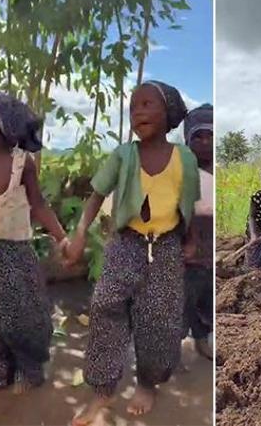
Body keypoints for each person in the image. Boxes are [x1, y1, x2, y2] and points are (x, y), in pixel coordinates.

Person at [66, 80, 200, 424]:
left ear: (168, 112)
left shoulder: (184, 157)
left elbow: (190, 203)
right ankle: (103, 389)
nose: (138, 111)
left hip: (167, 246)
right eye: (133, 105)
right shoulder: (123, 155)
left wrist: (191, 240)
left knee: (158, 320)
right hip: (126, 243)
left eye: (147, 104)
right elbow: (96, 195)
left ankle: (147, 383)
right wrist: (80, 232)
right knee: (105, 305)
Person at [0, 93, 63, 395]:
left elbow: (39, 206)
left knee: (21, 316)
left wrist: (61, 237)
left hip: (14, 254)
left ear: (4, 124)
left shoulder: (21, 164)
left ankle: (29, 364)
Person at [183, 104, 214, 360]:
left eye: (211, 136)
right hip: (183, 253)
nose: (205, 142)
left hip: (209, 253)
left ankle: (202, 339)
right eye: (198, 136)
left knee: (207, 302)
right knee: (180, 305)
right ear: (187, 139)